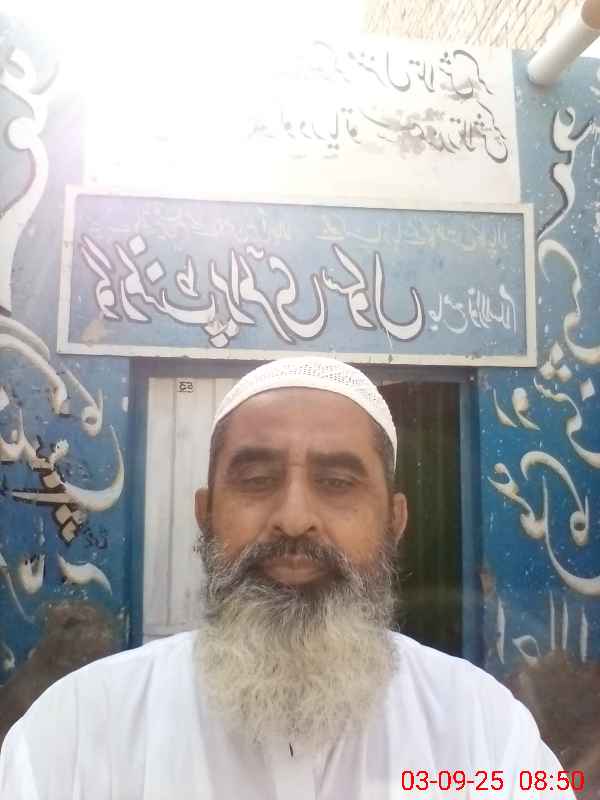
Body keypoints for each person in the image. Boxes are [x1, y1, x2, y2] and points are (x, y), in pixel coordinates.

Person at [0, 357, 575, 799]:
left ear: (394, 522)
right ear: (205, 515)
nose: (294, 518)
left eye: (338, 483)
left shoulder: (485, 734)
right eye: (255, 479)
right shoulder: (75, 730)